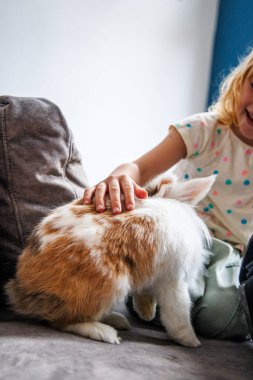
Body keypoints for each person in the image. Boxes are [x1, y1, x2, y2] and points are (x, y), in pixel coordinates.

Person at [83, 50, 253, 341]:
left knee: (220, 316)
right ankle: (151, 296)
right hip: (179, 241)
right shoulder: (204, 129)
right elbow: (139, 167)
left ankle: (168, 301)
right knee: (179, 292)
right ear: (241, 82)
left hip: (230, 251)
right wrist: (120, 176)